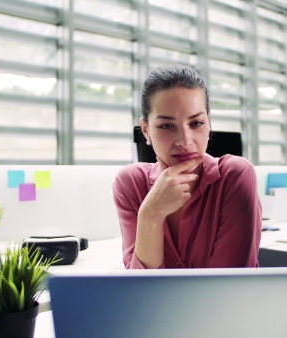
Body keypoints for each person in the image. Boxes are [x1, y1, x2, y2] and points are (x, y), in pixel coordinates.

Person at [112, 64, 261, 269]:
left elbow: (228, 287)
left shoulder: (235, 176)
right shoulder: (131, 183)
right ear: (146, 130)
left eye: (196, 123)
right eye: (166, 126)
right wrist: (150, 215)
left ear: (209, 123)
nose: (184, 140)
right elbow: (139, 289)